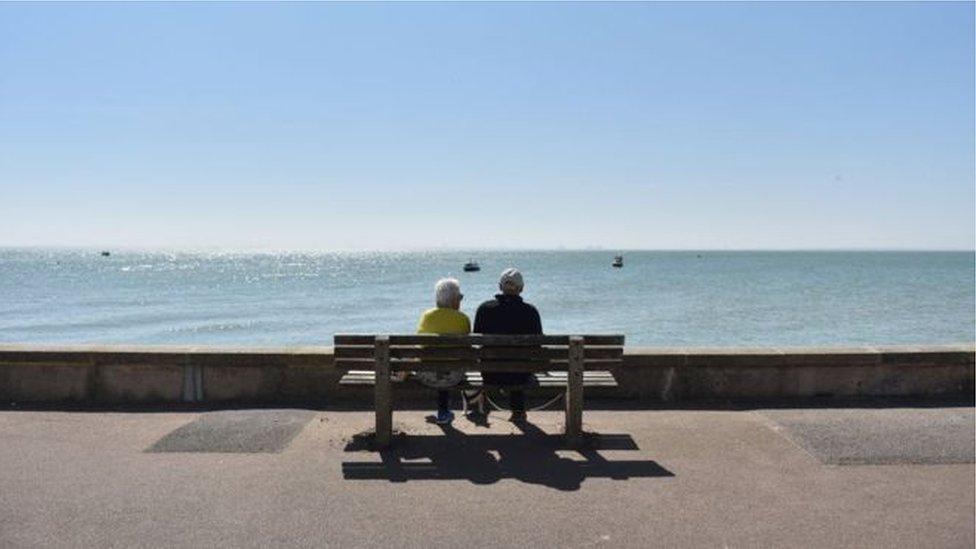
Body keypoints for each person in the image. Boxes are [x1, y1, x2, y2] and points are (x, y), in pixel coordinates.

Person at [473, 268, 542, 423]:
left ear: (500, 286)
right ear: (522, 288)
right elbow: (538, 346)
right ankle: (518, 412)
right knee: (519, 367)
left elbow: (478, 340)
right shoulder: (530, 312)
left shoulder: (484, 309)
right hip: (521, 375)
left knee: (500, 362)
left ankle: (482, 406)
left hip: (490, 373)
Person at [415, 277, 470, 424]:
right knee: (448, 366)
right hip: (454, 376)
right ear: (453, 300)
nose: (461, 300)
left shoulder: (427, 316)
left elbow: (420, 347)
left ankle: (443, 413)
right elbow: (467, 350)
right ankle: (444, 413)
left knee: (438, 365)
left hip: (426, 375)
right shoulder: (463, 319)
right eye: (460, 297)